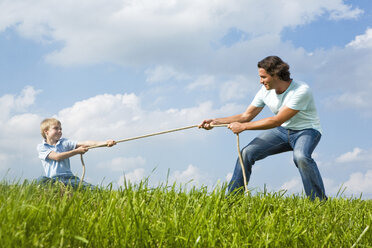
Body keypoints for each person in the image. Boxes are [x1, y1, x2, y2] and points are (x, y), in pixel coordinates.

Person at [199, 56, 327, 200]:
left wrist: (243, 127)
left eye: (263, 77)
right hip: (284, 131)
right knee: (246, 152)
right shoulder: (264, 91)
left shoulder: (301, 91)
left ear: (276, 74)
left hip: (307, 131)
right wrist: (215, 122)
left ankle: (318, 201)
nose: (260, 81)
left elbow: (277, 120)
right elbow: (246, 116)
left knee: (301, 157)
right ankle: (232, 199)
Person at [36, 118, 116, 189]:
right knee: (41, 180)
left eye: (61, 129)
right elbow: (57, 157)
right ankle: (60, 190)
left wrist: (105, 143)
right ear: (46, 131)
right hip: (54, 179)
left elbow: (86, 143)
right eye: (56, 128)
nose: (60, 131)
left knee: (94, 190)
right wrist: (77, 151)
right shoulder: (42, 147)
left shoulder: (64, 142)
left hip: (69, 178)